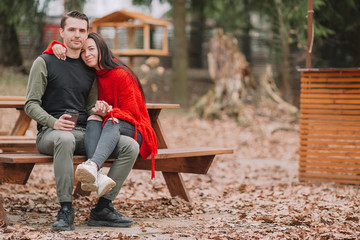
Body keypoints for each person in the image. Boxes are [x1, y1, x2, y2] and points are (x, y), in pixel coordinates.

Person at [25, 11, 139, 231]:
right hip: (51, 134)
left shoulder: (89, 68)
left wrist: (99, 109)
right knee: (65, 139)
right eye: (71, 29)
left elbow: (88, 106)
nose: (76, 35)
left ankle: (103, 208)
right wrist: (53, 122)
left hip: (85, 132)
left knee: (130, 146)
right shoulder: (44, 62)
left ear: (87, 33)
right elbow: (30, 104)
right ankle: (66, 209)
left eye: (81, 30)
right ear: (61, 32)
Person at [46, 32, 158, 190]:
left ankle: (93, 165)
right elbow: (67, 53)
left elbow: (132, 114)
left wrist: (109, 111)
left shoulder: (121, 74)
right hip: (109, 124)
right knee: (94, 118)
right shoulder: (92, 74)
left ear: (102, 49)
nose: (87, 54)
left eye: (91, 49)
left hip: (135, 127)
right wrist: (55, 46)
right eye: (83, 51)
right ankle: (97, 174)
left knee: (112, 121)